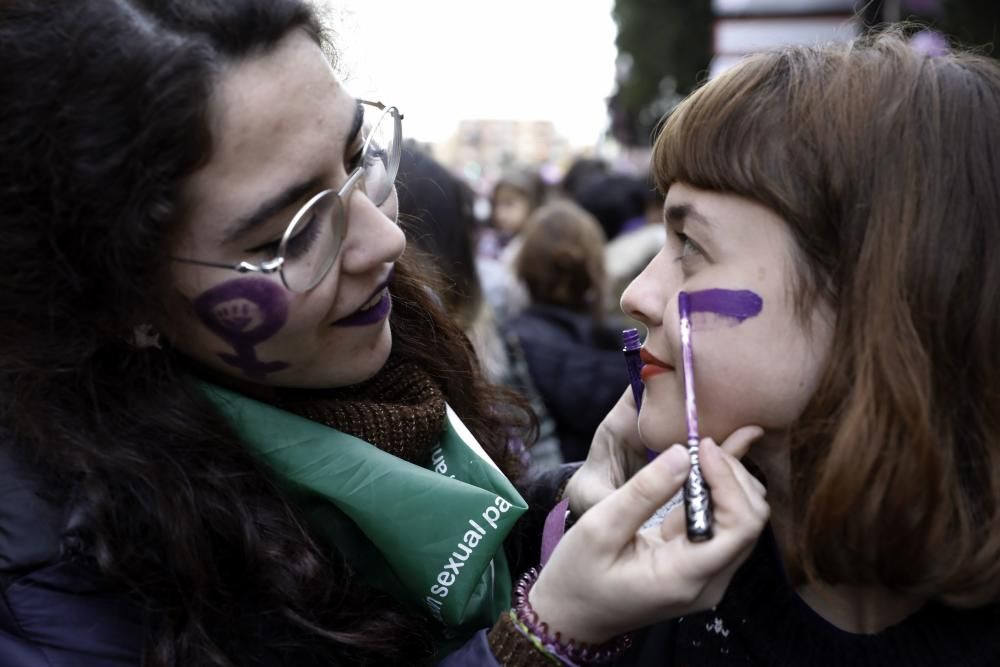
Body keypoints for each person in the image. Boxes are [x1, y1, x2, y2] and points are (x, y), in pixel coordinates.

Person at [0, 2, 768, 665]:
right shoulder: (59, 568)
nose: (383, 243)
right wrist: (542, 640)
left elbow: (454, 546)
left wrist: (569, 509)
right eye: (291, 233)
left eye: (358, 157)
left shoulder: (379, 362)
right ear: (115, 293)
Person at [564, 28, 1000, 665]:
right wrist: (558, 622)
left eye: (691, 247)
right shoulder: (604, 550)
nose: (636, 294)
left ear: (874, 296)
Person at [510, 201, 627, 463]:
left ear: (527, 266)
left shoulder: (512, 343)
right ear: (594, 268)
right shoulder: (629, 353)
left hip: (551, 492)